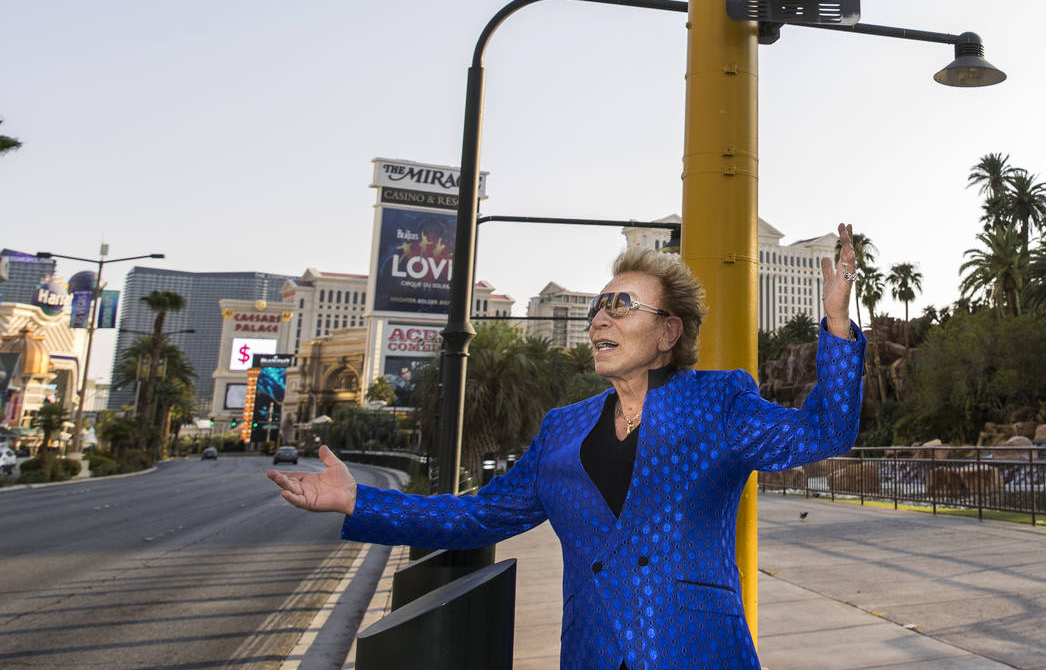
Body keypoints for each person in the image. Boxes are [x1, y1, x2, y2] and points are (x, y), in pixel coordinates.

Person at [268, 222, 866, 670]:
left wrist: (837, 326)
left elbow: (822, 433)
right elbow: (478, 514)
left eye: (623, 305)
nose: (601, 318)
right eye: (598, 306)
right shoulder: (563, 427)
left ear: (667, 332)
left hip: (699, 649)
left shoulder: (719, 402)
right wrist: (358, 502)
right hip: (592, 653)